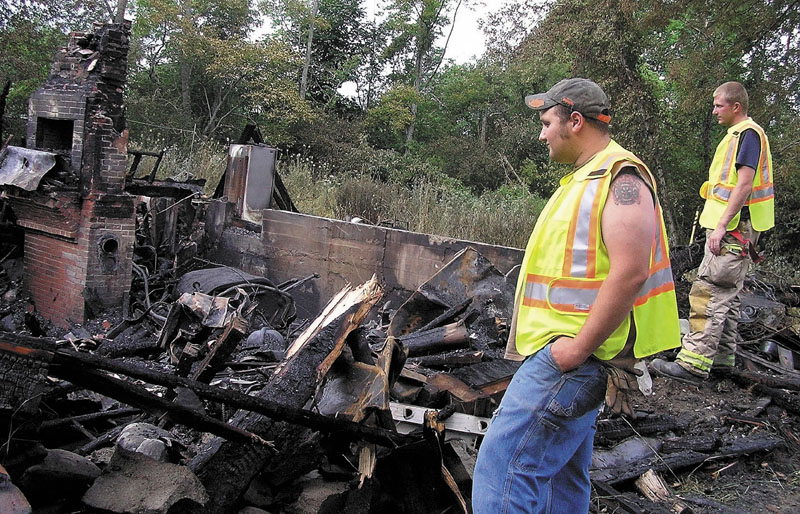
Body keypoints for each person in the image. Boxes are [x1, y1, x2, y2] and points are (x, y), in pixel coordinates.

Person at [472, 78, 681, 514]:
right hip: (572, 355)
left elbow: (630, 271)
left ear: (576, 121)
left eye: (547, 122)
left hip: (573, 358)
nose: (542, 132)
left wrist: (576, 349)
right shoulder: (585, 179)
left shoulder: (621, 178)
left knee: (502, 467)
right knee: (561, 478)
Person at [651, 81, 775, 385]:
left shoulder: (747, 134)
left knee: (709, 289)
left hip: (733, 228)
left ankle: (693, 364)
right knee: (729, 296)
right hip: (740, 227)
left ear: (736, 106)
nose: (714, 110)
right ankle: (721, 360)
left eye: (719, 105)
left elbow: (744, 185)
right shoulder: (741, 135)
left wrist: (722, 226)